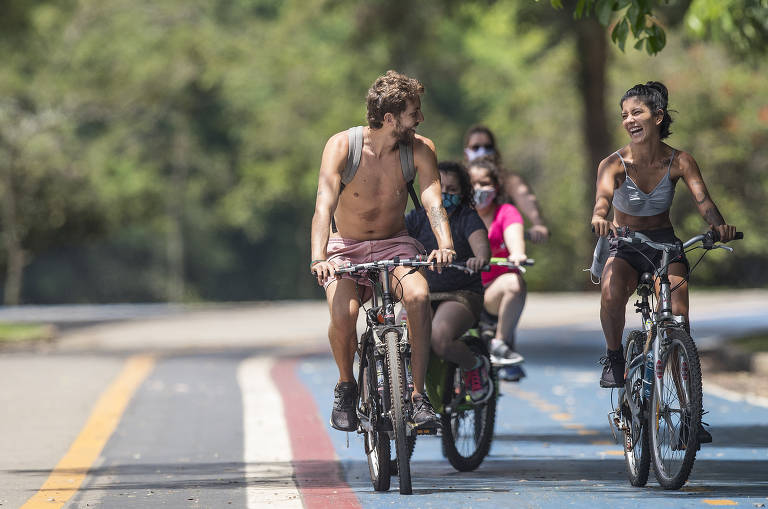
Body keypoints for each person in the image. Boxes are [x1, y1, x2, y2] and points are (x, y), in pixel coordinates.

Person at [310, 70, 455, 432]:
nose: (420, 118)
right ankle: (346, 386)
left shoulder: (421, 149)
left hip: (394, 242)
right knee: (345, 314)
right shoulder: (342, 146)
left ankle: (419, 397)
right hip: (346, 246)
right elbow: (324, 204)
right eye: (413, 112)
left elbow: (432, 198)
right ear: (389, 118)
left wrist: (444, 244)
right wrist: (319, 256)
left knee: (419, 296)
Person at [591, 81, 737, 406]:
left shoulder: (680, 161)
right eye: (624, 114)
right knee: (611, 295)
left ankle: (688, 406)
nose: (629, 120)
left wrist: (718, 227)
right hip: (625, 245)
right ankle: (615, 358)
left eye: (637, 112)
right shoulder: (613, 164)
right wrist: (600, 217)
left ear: (657, 117)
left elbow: (705, 202)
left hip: (664, 246)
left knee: (677, 320)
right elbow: (603, 199)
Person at [405, 161, 492, 403]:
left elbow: (481, 248)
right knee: (401, 338)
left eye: (452, 190)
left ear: (464, 194)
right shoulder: (416, 218)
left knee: (439, 339)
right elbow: (398, 240)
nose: (445, 194)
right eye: (440, 188)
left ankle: (474, 366)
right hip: (422, 294)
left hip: (461, 294)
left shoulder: (468, 218)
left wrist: (479, 259)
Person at [467, 157, 529, 381]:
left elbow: (514, 234)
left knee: (515, 283)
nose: (478, 189)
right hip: (458, 292)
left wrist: (517, 253)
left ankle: (500, 344)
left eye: (484, 183)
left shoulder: (506, 212)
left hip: (490, 293)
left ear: (496, 187)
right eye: (472, 184)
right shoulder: (456, 214)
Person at [463, 125, 549, 244]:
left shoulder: (510, 180)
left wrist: (538, 225)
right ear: (466, 153)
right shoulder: (458, 179)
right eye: (476, 147)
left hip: (501, 245)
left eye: (488, 147)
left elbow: (526, 199)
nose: (482, 151)